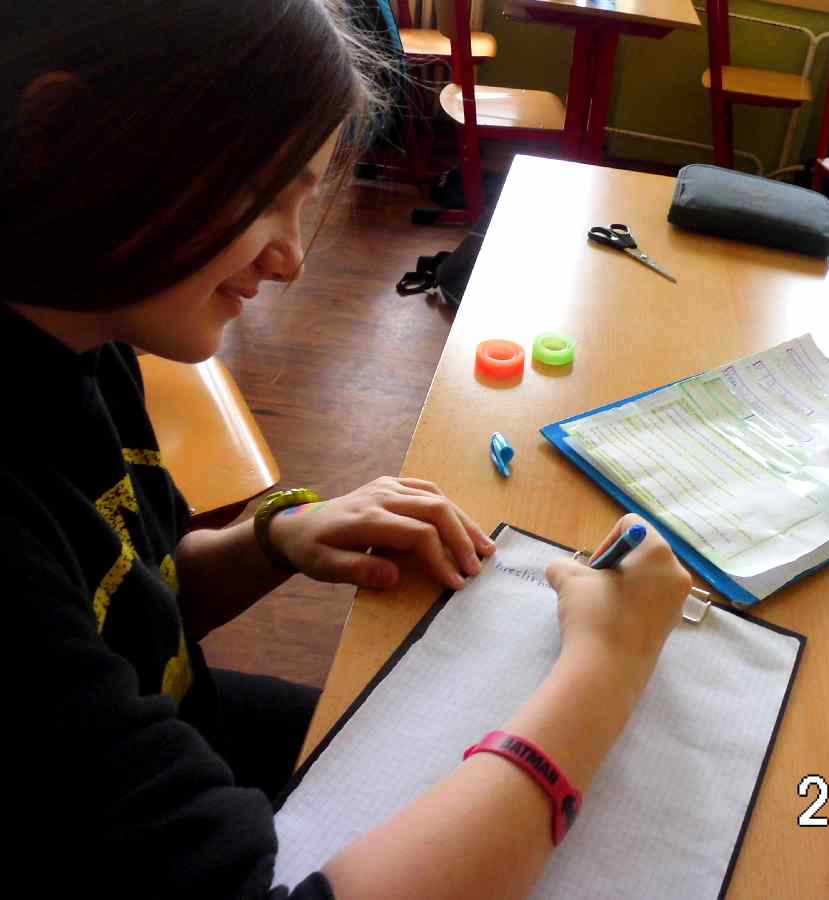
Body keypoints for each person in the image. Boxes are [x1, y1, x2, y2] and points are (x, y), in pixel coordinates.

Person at [2, 3, 691, 898]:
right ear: (64, 135)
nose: (291, 258)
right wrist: (611, 662)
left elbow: (134, 595)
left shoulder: (82, 329)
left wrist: (273, 541)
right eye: (264, 195)